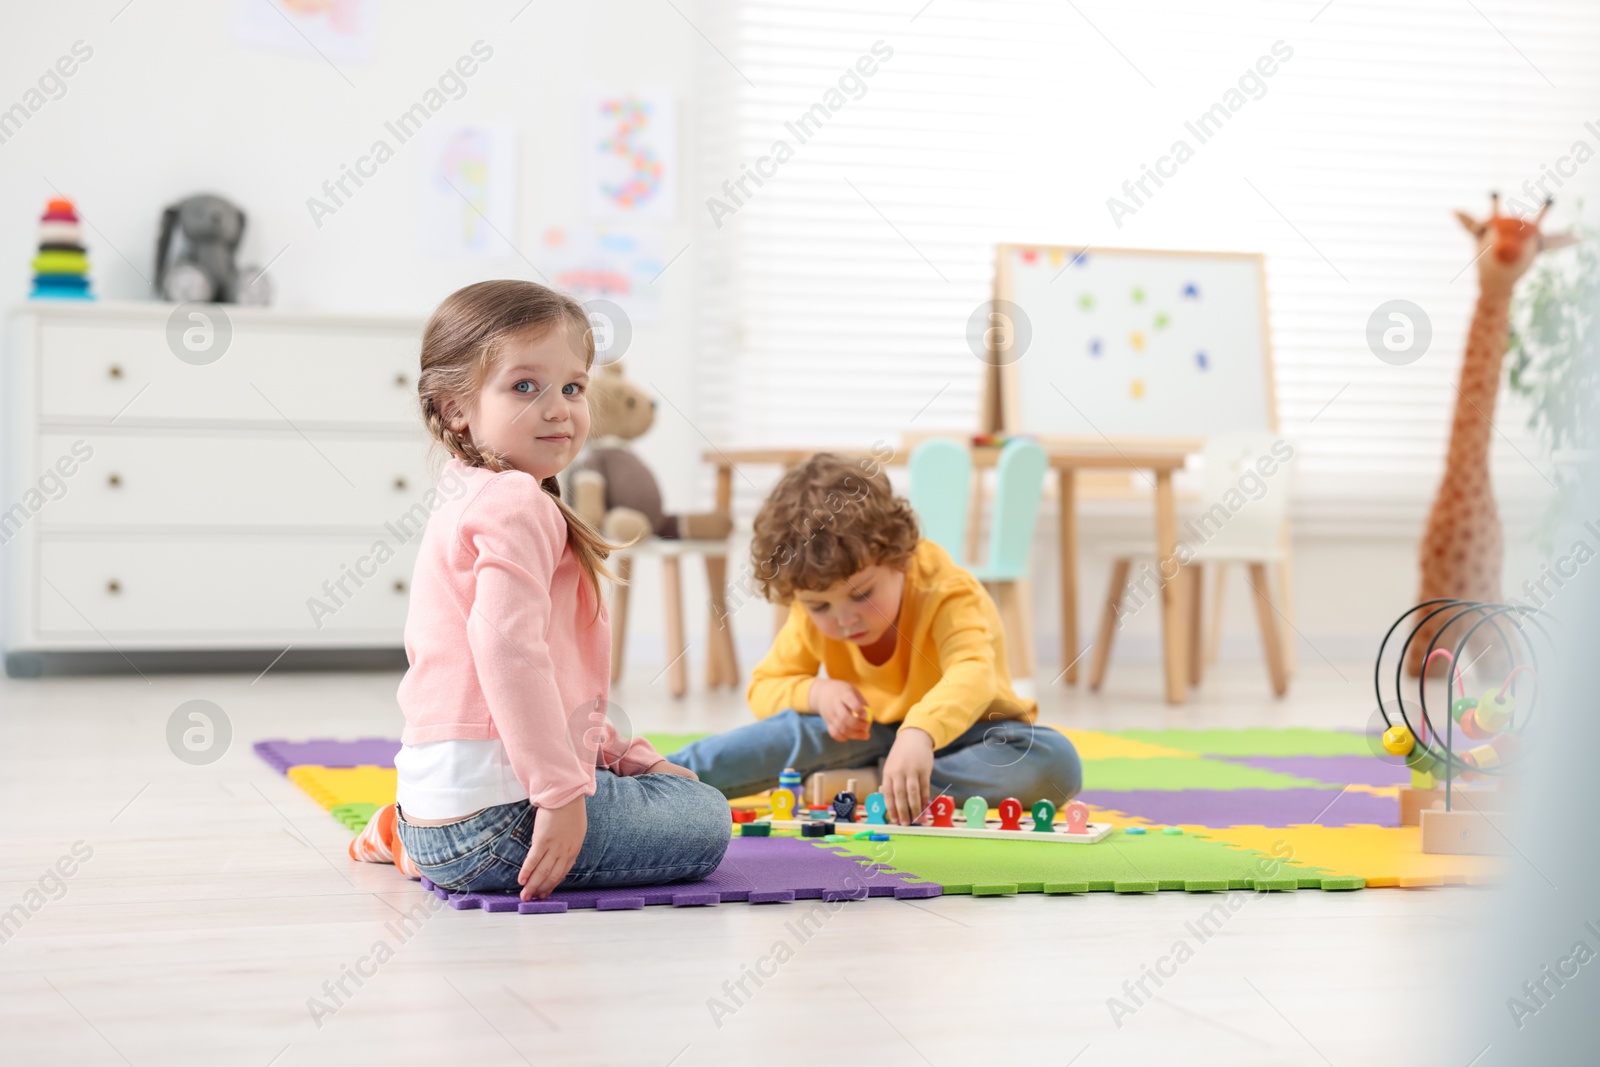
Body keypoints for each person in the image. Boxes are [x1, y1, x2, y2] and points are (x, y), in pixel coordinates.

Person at [348, 280, 729, 900]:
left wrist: (625, 753)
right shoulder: (516, 502)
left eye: (572, 387)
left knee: (667, 785)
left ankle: (402, 830)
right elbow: (508, 652)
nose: (559, 409)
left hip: (435, 819)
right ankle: (460, 827)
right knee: (706, 816)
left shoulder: (463, 490)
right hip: (501, 827)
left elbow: (548, 670)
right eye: (525, 386)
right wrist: (559, 796)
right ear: (454, 408)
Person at [669, 453, 1082, 824]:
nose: (844, 619)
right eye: (819, 607)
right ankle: (648, 779)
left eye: (862, 594)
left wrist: (920, 732)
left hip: (968, 734)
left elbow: (974, 673)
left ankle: (871, 782)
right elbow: (766, 687)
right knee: (782, 735)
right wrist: (819, 693)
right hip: (863, 733)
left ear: (900, 557)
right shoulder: (811, 596)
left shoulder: (947, 589)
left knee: (1055, 761)